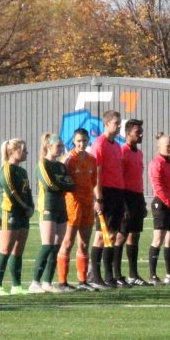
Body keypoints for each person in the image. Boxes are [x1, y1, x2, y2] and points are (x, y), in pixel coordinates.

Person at [32, 132, 75, 292]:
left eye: (62, 146)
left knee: (57, 245)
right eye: (58, 146)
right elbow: (50, 184)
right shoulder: (43, 164)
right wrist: (62, 183)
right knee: (47, 244)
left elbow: (71, 184)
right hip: (48, 207)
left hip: (61, 206)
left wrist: (63, 183)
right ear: (48, 146)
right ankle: (35, 282)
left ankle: (47, 282)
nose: (61, 148)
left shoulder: (61, 166)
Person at [0, 138, 34, 295]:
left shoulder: (22, 171)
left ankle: (16, 285)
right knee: (5, 249)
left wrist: (31, 207)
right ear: (14, 151)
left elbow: (27, 191)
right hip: (9, 212)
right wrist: (25, 207)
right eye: (24, 150)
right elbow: (12, 192)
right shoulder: (6, 169)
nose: (27, 153)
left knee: (18, 250)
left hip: (23, 214)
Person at [88, 110, 125, 288]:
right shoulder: (100, 144)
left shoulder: (117, 146)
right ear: (107, 123)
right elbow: (96, 174)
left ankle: (109, 276)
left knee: (112, 234)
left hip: (117, 193)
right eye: (116, 123)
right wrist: (99, 198)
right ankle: (95, 277)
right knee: (102, 236)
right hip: (106, 194)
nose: (119, 126)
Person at [59, 128, 96, 291]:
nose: (81, 144)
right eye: (79, 141)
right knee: (68, 241)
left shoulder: (91, 160)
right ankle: (63, 282)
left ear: (88, 141)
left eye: (84, 140)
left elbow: (93, 181)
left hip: (88, 202)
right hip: (72, 203)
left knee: (84, 242)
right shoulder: (68, 159)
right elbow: (62, 181)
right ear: (74, 141)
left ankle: (82, 281)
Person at [116, 119, 150, 286]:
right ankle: (116, 274)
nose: (141, 134)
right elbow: (120, 178)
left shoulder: (139, 153)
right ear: (128, 133)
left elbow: (138, 179)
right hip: (126, 197)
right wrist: (122, 204)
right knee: (121, 235)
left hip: (137, 197)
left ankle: (133, 274)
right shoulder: (123, 152)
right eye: (138, 132)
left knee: (134, 236)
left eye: (141, 131)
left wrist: (142, 201)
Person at [147, 132, 170, 285]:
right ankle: (153, 275)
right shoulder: (156, 163)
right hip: (162, 204)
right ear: (159, 147)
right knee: (158, 239)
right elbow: (158, 188)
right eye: (168, 146)